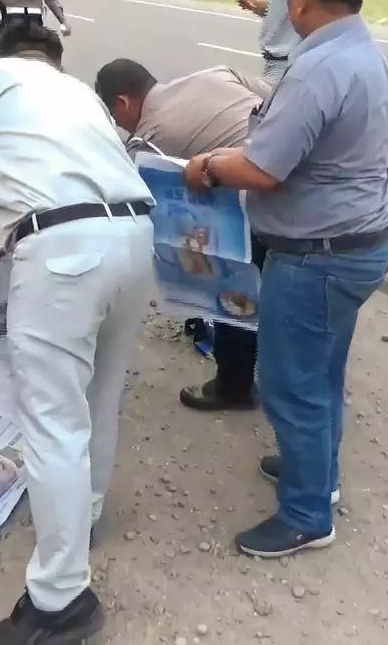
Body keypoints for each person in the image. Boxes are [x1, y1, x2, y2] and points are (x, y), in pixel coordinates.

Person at [0, 22, 155, 643]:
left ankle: (60, 603)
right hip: (135, 237)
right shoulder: (78, 91)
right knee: (100, 397)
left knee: (52, 422)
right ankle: (86, 517)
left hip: (63, 250)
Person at [182, 0, 388, 558]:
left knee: (290, 383)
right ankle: (318, 481)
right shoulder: (365, 54)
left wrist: (210, 167)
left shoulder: (317, 66)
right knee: (322, 373)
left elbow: (265, 168)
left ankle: (306, 515)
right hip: (360, 245)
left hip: (318, 256)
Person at [94, 60, 272, 412]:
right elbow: (276, 100)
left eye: (117, 118)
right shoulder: (216, 73)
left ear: (124, 103)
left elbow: (130, 206)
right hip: (301, 184)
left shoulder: (148, 138)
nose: (121, 127)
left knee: (230, 284)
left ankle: (234, 387)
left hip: (265, 203)